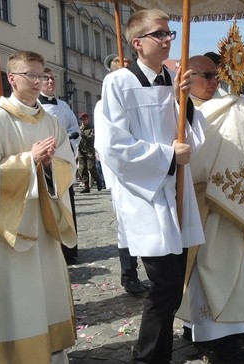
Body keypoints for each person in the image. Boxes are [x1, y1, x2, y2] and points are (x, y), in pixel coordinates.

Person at [99, 9, 206, 363]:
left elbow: (193, 137)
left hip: (176, 191)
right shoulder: (118, 83)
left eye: (169, 33)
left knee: (174, 287)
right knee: (164, 286)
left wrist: (183, 101)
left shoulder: (173, 79)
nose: (167, 40)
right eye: (159, 34)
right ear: (137, 43)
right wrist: (167, 156)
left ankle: (159, 356)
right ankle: (145, 358)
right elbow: (113, 146)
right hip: (144, 195)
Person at [0, 50, 77, 364]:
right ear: (11, 78)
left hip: (43, 226)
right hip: (9, 230)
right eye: (29, 74)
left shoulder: (51, 121)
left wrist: (48, 166)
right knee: (17, 298)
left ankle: (52, 355)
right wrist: (28, 161)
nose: (37, 80)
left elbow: (67, 166)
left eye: (41, 73)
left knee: (46, 293)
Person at [176, 55, 244, 361]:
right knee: (201, 269)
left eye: (215, 74)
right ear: (187, 77)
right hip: (196, 204)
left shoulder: (235, 108)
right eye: (205, 75)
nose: (213, 80)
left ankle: (233, 336)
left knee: (236, 268)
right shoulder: (176, 111)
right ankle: (201, 330)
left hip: (233, 208)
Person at [94, 56, 149, 295]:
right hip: (121, 172)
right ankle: (129, 275)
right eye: (118, 63)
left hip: (144, 166)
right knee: (125, 226)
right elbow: (106, 143)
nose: (124, 65)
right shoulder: (103, 102)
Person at [39, 67, 80, 264]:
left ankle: (70, 248)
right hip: (45, 160)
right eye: (46, 79)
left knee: (67, 204)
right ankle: (54, 247)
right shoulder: (36, 105)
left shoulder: (63, 105)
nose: (50, 82)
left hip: (63, 158)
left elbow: (74, 127)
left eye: (52, 79)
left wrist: (68, 141)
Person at [78, 112, 102, 193]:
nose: (83, 122)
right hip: (81, 151)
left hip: (89, 151)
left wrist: (83, 135)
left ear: (88, 119)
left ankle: (98, 180)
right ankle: (86, 186)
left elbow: (92, 138)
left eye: (84, 120)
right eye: (81, 120)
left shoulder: (92, 128)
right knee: (82, 169)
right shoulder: (79, 128)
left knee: (91, 168)